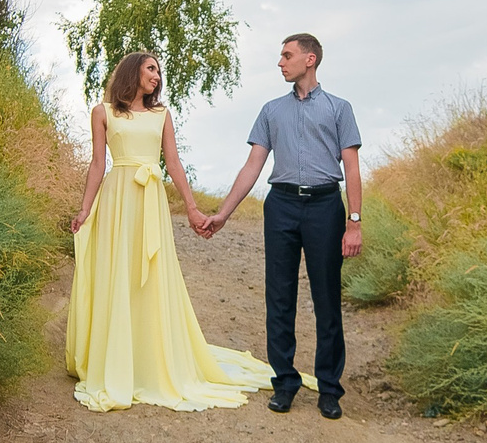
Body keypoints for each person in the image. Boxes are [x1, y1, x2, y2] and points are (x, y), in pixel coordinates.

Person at [65, 50, 269, 412]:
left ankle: (149, 359)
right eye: (151, 69)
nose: (157, 76)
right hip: (117, 198)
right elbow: (98, 163)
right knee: (118, 274)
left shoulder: (161, 115)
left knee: (150, 276)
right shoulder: (103, 112)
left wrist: (191, 208)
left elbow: (172, 161)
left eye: (159, 71)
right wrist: (85, 209)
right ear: (133, 72)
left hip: (150, 199)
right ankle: (113, 357)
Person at [204, 33, 362, 419]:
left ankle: (329, 389)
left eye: (287, 55)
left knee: (326, 298)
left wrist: (353, 221)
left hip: (325, 205)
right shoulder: (271, 111)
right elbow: (252, 166)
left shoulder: (340, 109)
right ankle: (285, 382)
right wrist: (224, 213)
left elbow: (352, 168)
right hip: (282, 206)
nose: (280, 62)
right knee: (279, 296)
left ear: (310, 59)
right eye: (281, 56)